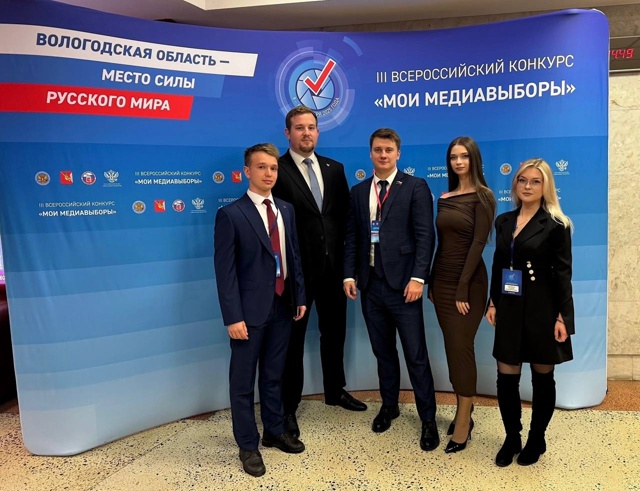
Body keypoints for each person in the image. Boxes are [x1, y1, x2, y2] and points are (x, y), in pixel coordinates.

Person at [214, 143, 307, 477]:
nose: (269, 173)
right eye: (262, 167)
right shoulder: (231, 214)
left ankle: (274, 430)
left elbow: (293, 255)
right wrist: (233, 317)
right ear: (247, 171)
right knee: (242, 383)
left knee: (273, 374)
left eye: (273, 168)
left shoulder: (286, 209)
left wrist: (299, 295)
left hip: (282, 305)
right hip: (248, 313)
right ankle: (248, 445)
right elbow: (225, 272)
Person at [273, 106, 366, 439]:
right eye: (299, 128)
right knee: (293, 341)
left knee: (334, 332)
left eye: (311, 127)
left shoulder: (334, 169)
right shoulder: (277, 169)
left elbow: (344, 220)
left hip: (334, 269)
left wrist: (348, 269)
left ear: (318, 131)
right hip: (297, 272)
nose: (306, 133)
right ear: (288, 133)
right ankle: (288, 406)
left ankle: (334, 390)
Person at [343, 128, 439, 451]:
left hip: (404, 288)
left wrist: (418, 278)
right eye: (377, 150)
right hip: (370, 286)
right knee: (383, 352)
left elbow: (425, 236)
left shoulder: (415, 187)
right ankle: (389, 405)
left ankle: (428, 418)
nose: (383, 155)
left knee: (416, 355)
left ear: (398, 153)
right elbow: (353, 238)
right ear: (370, 153)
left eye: (388, 150)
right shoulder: (358, 192)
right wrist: (348, 275)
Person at [485, 158, 574, 467]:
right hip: (509, 307)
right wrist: (493, 302)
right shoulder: (503, 221)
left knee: (542, 378)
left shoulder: (556, 224)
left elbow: (563, 274)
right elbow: (498, 264)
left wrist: (564, 317)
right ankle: (512, 437)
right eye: (522, 180)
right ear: (515, 184)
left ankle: (537, 438)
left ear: (546, 186)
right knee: (506, 377)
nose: (527, 186)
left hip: (542, 310)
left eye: (535, 181)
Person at [429, 136, 496, 454]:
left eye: (464, 156)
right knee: (452, 350)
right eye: (454, 157)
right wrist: (432, 281)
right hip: (442, 282)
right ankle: (464, 412)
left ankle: (463, 422)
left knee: (461, 350)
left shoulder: (484, 196)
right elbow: (442, 244)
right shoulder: (445, 197)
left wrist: (461, 288)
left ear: (474, 160)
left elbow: (478, 244)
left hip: (468, 285)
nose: (458, 162)